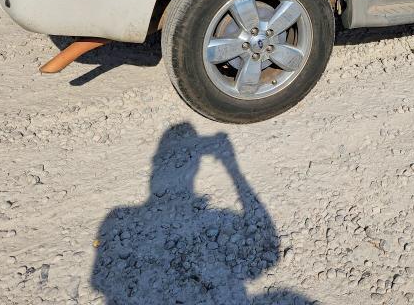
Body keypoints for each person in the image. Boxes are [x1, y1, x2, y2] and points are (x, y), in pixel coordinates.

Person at [91, 123, 310, 304]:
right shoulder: (220, 218)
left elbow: (101, 281)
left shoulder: (116, 218)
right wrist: (232, 167)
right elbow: (269, 248)